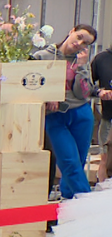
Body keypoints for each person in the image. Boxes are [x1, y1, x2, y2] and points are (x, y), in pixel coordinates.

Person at [32, 24, 99, 199]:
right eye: (79, 37)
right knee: (69, 162)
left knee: (78, 162)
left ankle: (69, 206)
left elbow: (83, 93)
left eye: (85, 43)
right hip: (55, 116)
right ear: (71, 31)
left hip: (81, 115)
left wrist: (82, 67)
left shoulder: (81, 61)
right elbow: (30, 87)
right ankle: (87, 203)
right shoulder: (42, 56)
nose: (79, 43)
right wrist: (48, 95)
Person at [90, 47, 112, 181]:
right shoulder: (102, 59)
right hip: (108, 118)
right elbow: (88, 84)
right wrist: (99, 92)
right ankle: (104, 193)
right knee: (105, 159)